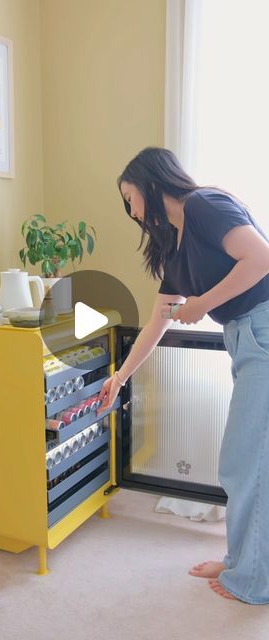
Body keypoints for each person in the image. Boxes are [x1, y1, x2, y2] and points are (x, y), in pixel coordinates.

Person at [96, 146, 269, 604]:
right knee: (248, 460)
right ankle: (243, 564)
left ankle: (253, 580)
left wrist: (202, 303)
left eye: (130, 198)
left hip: (263, 328)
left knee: (247, 460)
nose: (130, 211)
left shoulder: (204, 205)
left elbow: (262, 258)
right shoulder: (173, 245)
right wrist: (120, 376)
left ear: (152, 185)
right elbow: (158, 322)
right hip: (246, 336)